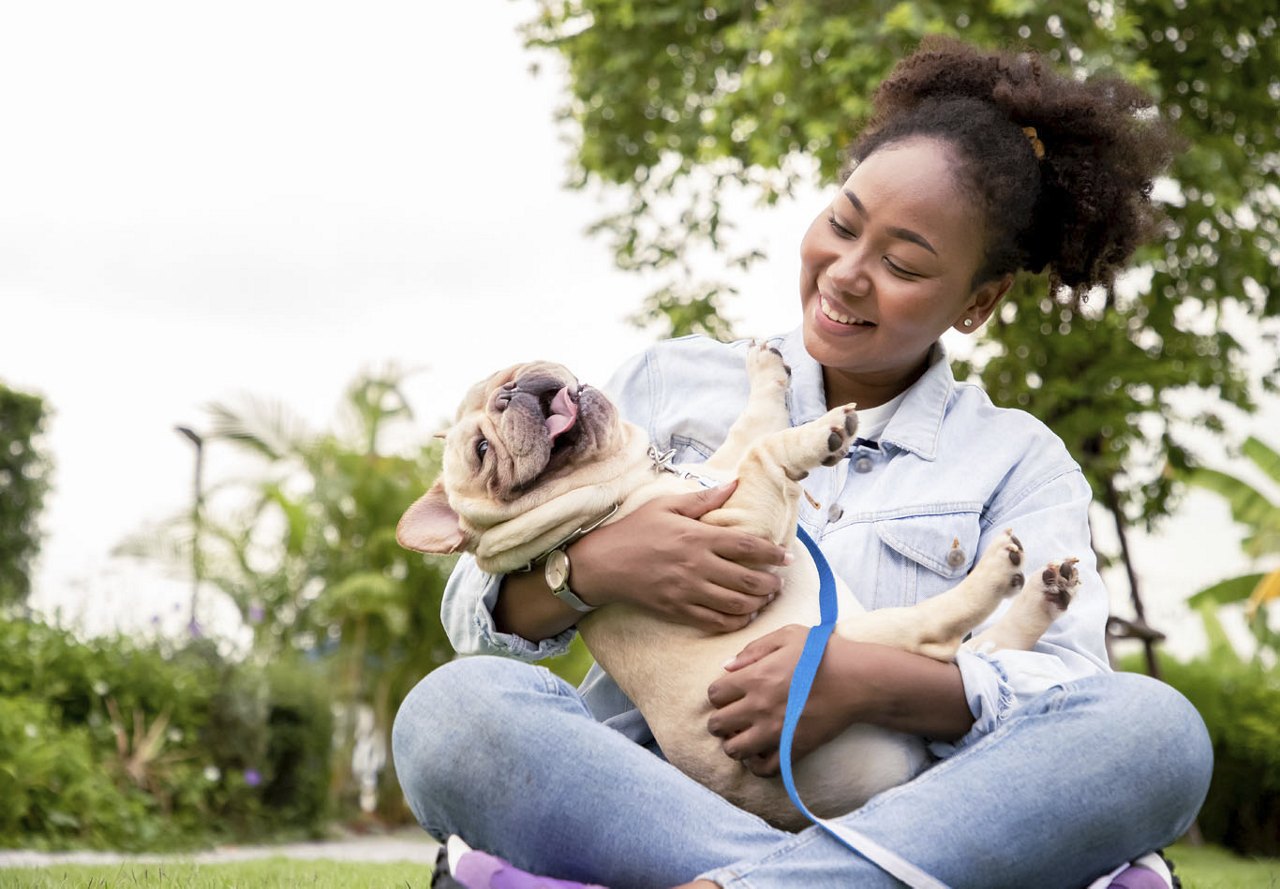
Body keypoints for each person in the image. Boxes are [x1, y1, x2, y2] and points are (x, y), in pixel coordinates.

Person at [392, 36, 1212, 889]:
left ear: (978, 302)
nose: (847, 274)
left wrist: (866, 680)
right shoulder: (671, 381)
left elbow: (1064, 686)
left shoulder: (1019, 462)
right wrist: (595, 567)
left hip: (914, 810)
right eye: (842, 223)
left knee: (1154, 730)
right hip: (652, 807)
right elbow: (471, 611)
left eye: (900, 263)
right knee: (449, 715)